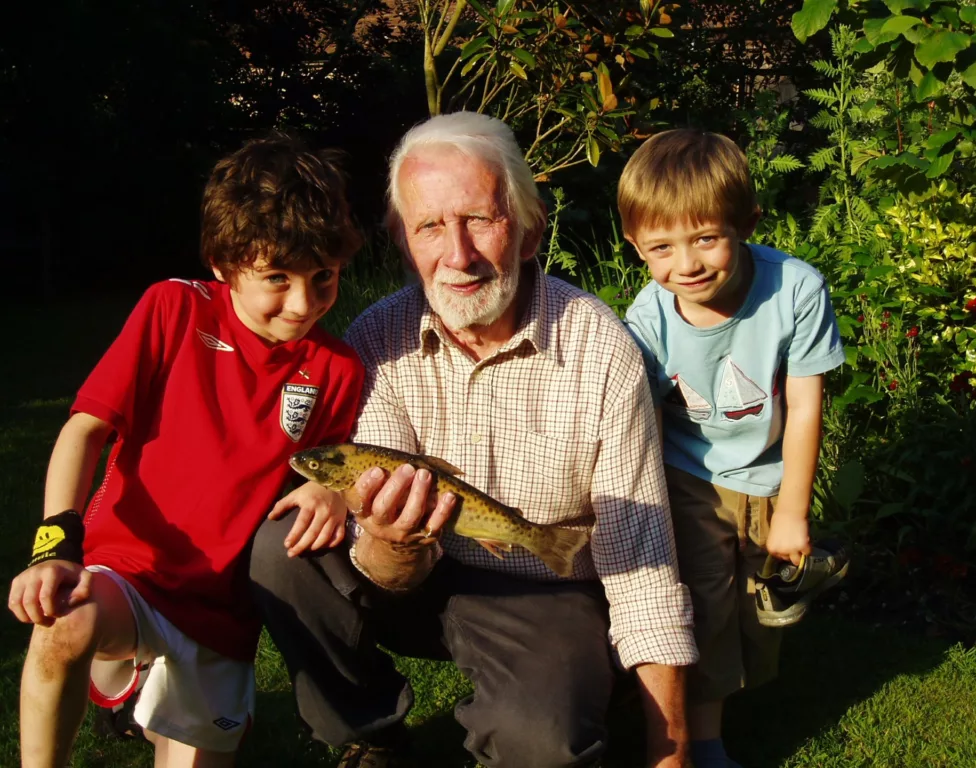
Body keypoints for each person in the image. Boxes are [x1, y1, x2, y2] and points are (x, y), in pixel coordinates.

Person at [249, 111, 698, 768]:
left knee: (542, 746)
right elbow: (381, 564)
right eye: (430, 226)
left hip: (541, 588)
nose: (457, 256)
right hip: (418, 576)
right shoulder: (376, 340)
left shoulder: (603, 351)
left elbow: (643, 559)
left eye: (479, 220)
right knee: (278, 552)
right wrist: (392, 541)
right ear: (403, 243)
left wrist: (674, 754)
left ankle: (589, 682)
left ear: (528, 231)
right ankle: (368, 732)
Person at [7, 133, 365, 768]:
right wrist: (53, 549)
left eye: (323, 278)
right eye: (276, 278)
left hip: (222, 613)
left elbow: (333, 468)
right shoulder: (172, 308)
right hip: (131, 572)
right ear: (225, 266)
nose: (303, 303)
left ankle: (141, 691)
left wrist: (332, 489)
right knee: (66, 621)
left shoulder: (336, 368)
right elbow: (83, 429)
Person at [620, 129, 849, 768]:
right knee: (706, 601)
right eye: (662, 247)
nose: (686, 264)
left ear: (746, 224)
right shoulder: (649, 316)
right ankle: (704, 737)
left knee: (759, 599)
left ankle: (726, 696)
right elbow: (629, 408)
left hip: (770, 472)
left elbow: (805, 405)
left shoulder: (795, 289)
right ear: (637, 247)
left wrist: (793, 513)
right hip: (685, 470)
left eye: (705, 238)